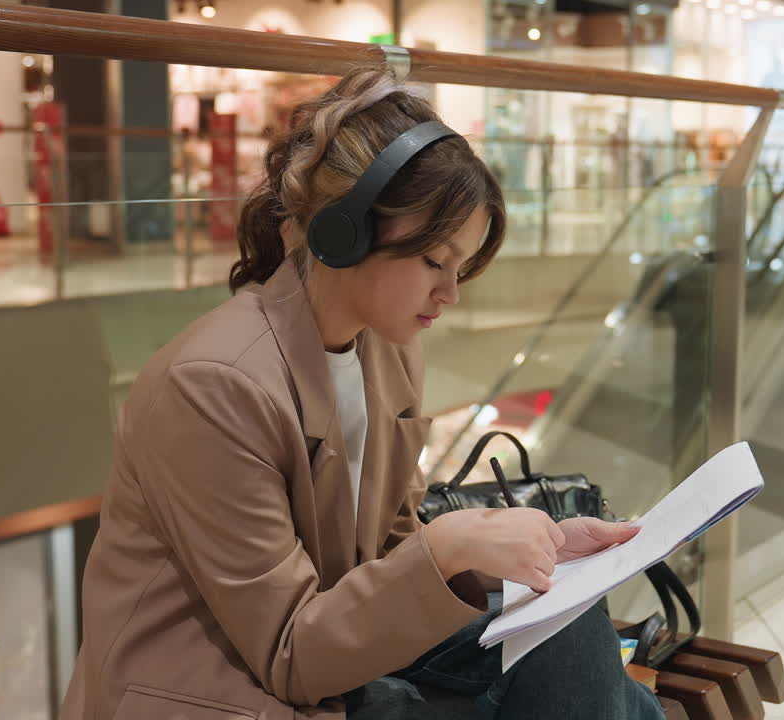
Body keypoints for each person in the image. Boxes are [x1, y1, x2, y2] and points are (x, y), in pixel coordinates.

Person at [58, 69, 664, 720]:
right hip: (224, 690)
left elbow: (385, 556)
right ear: (343, 233)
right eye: (434, 261)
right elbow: (291, 652)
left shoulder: (388, 352)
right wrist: (447, 546)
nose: (451, 294)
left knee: (569, 622)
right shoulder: (213, 386)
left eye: (460, 268)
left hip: (335, 649)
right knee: (611, 699)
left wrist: (519, 552)